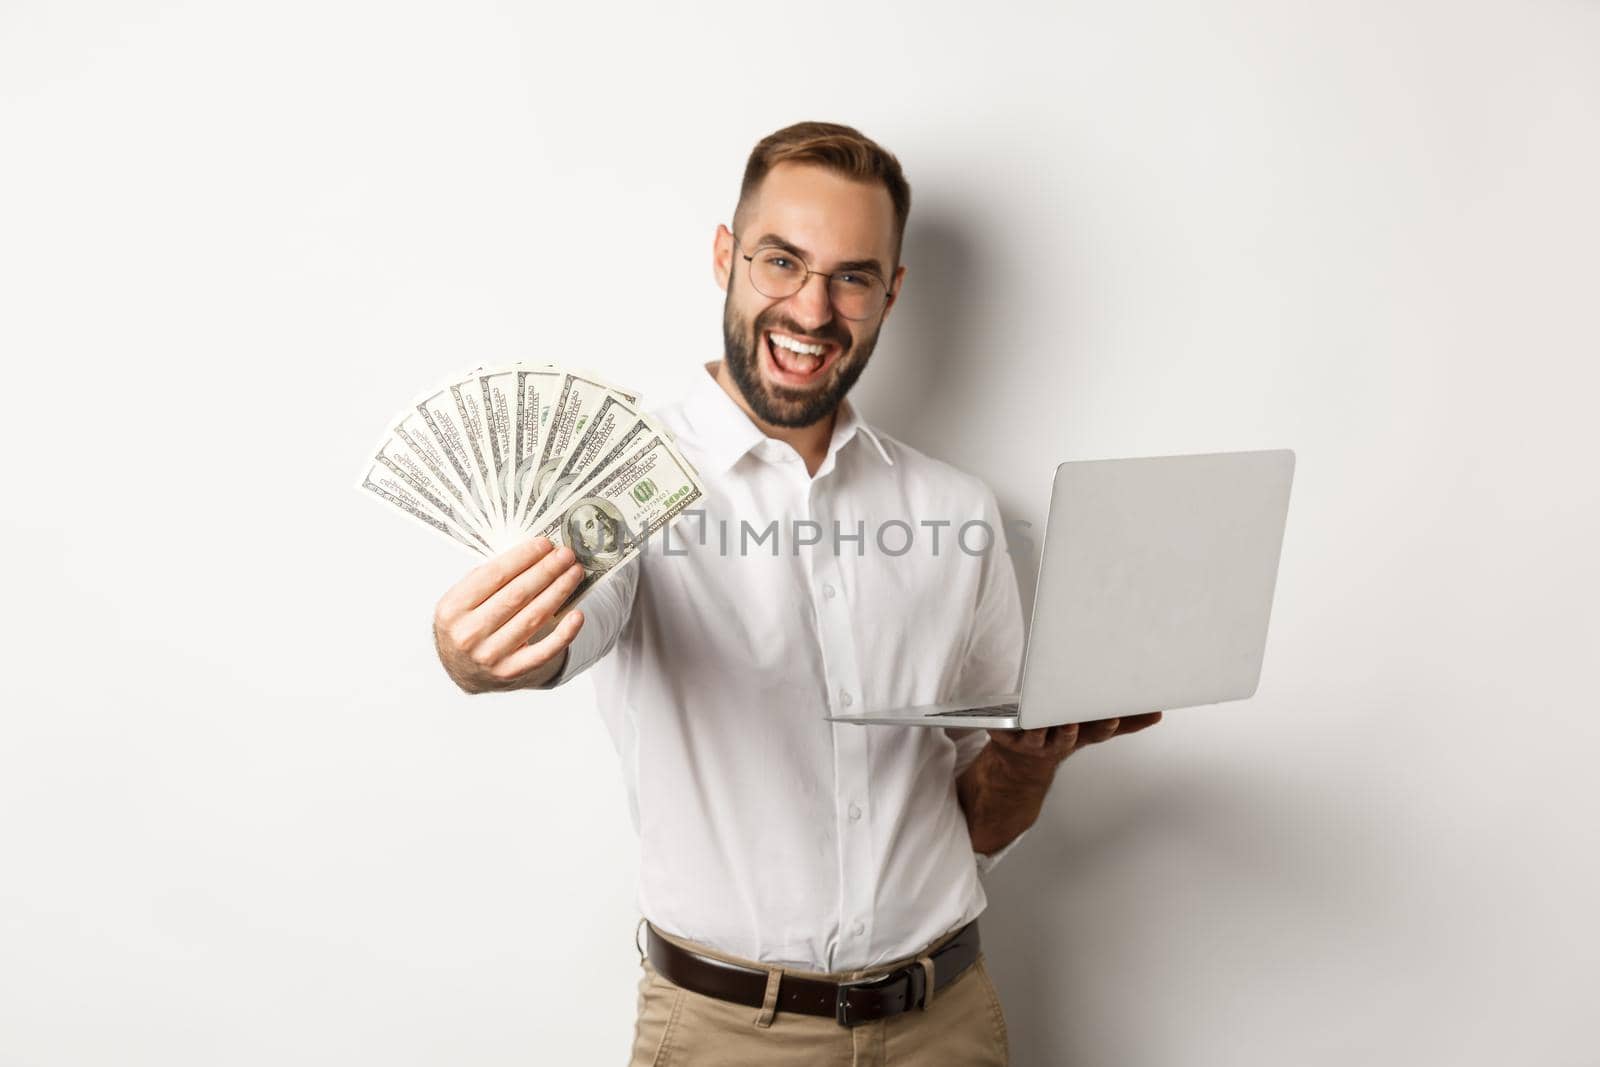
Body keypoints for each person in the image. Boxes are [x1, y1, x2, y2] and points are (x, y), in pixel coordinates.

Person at [430, 121, 1162, 1066]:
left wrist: (1028, 763)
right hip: (728, 1036)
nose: (812, 311)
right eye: (782, 261)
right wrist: (480, 656)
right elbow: (566, 626)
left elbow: (982, 817)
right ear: (726, 257)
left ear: (890, 293)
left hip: (947, 1021)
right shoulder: (620, 480)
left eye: (852, 277)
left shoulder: (956, 509)